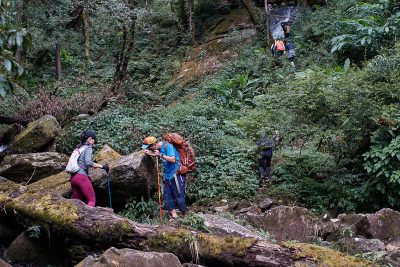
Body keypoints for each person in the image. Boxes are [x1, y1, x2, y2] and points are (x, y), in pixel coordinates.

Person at [142, 136, 187, 219]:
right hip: (168, 176)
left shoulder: (168, 146)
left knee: (179, 195)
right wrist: (151, 154)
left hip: (176, 174)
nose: (150, 149)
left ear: (154, 144)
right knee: (167, 196)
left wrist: (160, 155)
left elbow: (173, 159)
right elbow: (161, 157)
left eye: (149, 147)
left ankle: (185, 215)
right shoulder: (159, 149)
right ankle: (174, 216)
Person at [70, 130, 109, 207]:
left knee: (78, 204)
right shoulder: (88, 148)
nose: (94, 141)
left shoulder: (78, 148)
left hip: (73, 178)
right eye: (94, 139)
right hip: (81, 177)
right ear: (90, 139)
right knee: (92, 200)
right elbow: (88, 162)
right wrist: (103, 166)